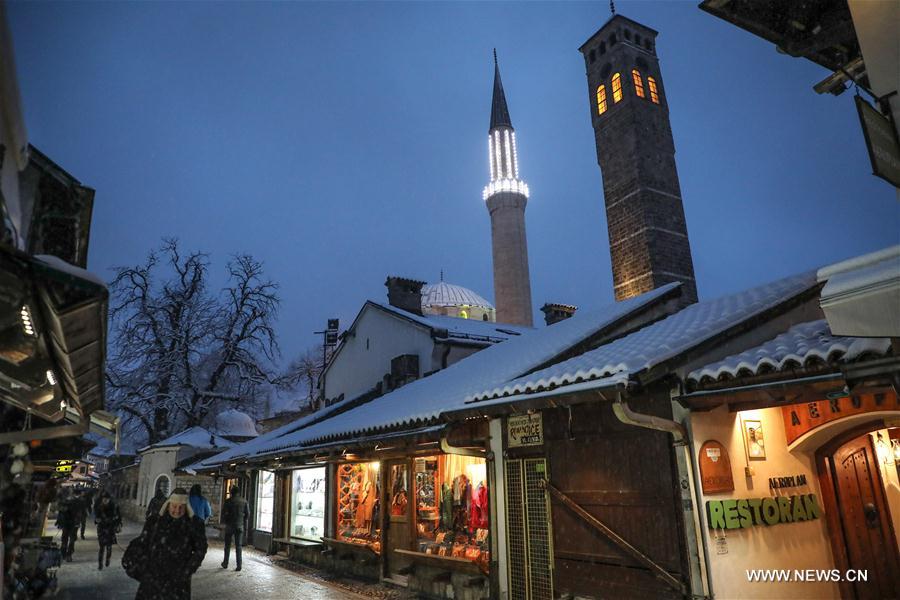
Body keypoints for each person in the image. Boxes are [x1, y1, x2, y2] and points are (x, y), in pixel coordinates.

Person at [134, 488, 207, 600]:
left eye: (181, 507)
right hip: (153, 577)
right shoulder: (154, 521)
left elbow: (201, 548)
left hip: (178, 580)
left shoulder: (194, 524)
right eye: (174, 506)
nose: (177, 510)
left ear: (186, 507)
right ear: (168, 505)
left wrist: (188, 569)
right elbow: (143, 543)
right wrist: (142, 563)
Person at [220, 485, 248, 571]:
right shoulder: (244, 501)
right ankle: (239, 565)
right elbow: (247, 514)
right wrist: (242, 521)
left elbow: (223, 513)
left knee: (227, 546)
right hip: (239, 526)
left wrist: (225, 521)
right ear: (238, 492)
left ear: (231, 492)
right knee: (238, 546)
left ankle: (225, 563)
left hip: (229, 526)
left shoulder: (228, 501)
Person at [94, 490, 122, 570]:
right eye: (104, 499)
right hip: (101, 529)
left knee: (109, 547)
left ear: (109, 499)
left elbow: (119, 517)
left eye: (106, 499)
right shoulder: (99, 507)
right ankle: (100, 564)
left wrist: (117, 524)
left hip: (110, 529)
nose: (105, 500)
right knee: (101, 547)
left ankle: (107, 559)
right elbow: (96, 517)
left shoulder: (114, 507)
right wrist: (97, 520)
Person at [55, 492, 79, 562]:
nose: (62, 509)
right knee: (64, 541)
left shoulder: (72, 510)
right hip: (65, 527)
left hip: (72, 526)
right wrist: (58, 523)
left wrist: (76, 524)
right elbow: (59, 518)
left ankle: (69, 554)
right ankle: (63, 554)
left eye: (63, 508)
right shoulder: (62, 511)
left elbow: (76, 517)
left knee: (71, 541)